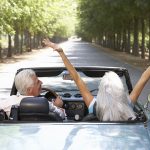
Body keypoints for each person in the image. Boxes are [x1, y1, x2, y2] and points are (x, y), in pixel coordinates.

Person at [43, 38, 150, 121]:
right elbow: (144, 77)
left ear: (101, 90)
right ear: (120, 90)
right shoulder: (128, 104)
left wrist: (61, 53)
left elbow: (77, 78)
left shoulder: (94, 106)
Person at [0, 69, 65, 119]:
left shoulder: (8, 101)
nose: (41, 82)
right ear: (29, 90)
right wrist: (57, 106)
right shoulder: (44, 103)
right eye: (37, 82)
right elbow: (62, 115)